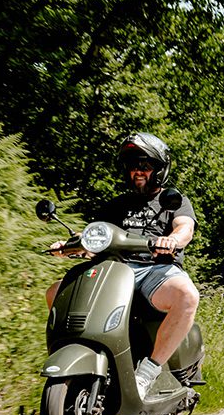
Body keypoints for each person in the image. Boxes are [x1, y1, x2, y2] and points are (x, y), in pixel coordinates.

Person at [47, 132, 200, 401]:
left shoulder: (173, 201)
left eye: (144, 166)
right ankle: (84, 362)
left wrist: (173, 240)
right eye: (132, 166)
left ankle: (148, 372)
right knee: (57, 291)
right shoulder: (115, 206)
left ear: (158, 170)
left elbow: (185, 228)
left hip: (156, 270)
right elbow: (93, 237)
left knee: (187, 296)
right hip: (116, 271)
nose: (137, 172)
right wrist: (68, 245)